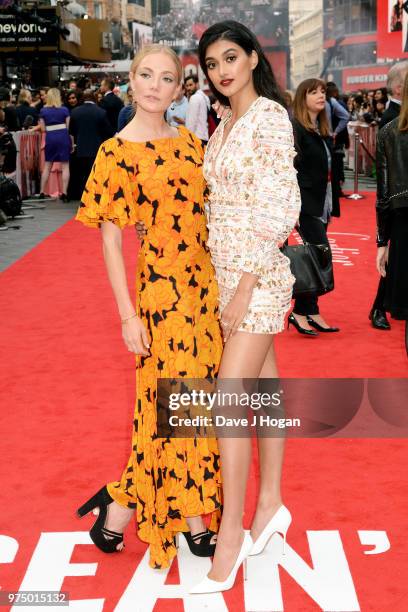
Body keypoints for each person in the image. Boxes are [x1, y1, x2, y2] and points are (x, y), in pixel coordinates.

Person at [75, 44, 223, 570]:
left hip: (206, 292)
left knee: (191, 404)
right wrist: (127, 316)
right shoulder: (115, 152)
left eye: (167, 78)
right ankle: (194, 519)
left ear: (181, 87)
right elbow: (111, 242)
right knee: (173, 406)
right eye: (146, 75)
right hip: (160, 295)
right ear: (131, 81)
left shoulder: (191, 142)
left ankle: (117, 506)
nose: (156, 86)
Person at [190, 20, 301, 594]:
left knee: (229, 399)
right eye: (212, 64)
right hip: (225, 275)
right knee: (264, 386)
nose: (222, 70)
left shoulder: (269, 118)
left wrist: (242, 286)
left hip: (255, 279)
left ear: (254, 58)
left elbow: (280, 202)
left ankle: (230, 532)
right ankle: (272, 502)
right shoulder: (224, 123)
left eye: (231, 57)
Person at [288, 78, 339, 336]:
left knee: (315, 256)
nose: (321, 95)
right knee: (320, 255)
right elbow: (289, 170)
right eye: (314, 92)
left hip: (323, 200)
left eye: (322, 91)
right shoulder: (295, 128)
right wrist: (294, 205)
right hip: (305, 203)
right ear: (302, 96)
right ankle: (300, 312)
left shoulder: (319, 128)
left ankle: (309, 310)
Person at [370, 60, 408, 330]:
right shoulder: (389, 127)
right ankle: (378, 309)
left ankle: (379, 308)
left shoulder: (389, 131)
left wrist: (382, 241)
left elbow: (384, 194)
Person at [69, 89, 113, 197]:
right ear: (93, 97)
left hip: (81, 148)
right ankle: (95, 195)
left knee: (82, 174)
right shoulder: (101, 112)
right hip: (96, 148)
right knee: (96, 174)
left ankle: (83, 195)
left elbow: (72, 131)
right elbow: (108, 131)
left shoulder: (75, 112)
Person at [38, 88, 72, 201]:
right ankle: (65, 192)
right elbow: (67, 127)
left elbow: (42, 129)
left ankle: (42, 191)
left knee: (47, 165)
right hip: (63, 137)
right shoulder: (65, 110)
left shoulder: (43, 111)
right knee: (65, 166)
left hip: (50, 137)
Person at [185, 74, 211, 143]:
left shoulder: (194, 98)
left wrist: (188, 139)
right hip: (205, 136)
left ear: (197, 84)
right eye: (187, 86)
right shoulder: (205, 97)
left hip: (196, 138)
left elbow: (192, 122)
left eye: (191, 85)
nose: (188, 88)